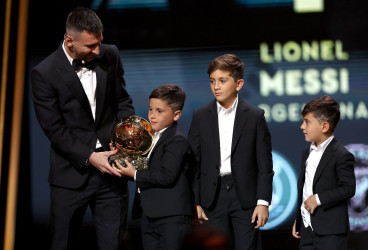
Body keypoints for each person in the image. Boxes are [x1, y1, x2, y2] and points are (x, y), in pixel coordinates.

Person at [31, 6, 135, 250]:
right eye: (90, 46)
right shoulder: (44, 73)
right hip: (70, 176)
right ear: (69, 40)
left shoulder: (111, 54)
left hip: (112, 173)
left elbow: (122, 100)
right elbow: (54, 128)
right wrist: (90, 156)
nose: (97, 51)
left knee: (116, 244)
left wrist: (125, 135)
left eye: (99, 43)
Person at [188, 54, 274, 250]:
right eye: (212, 81)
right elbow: (194, 163)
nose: (216, 86)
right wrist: (196, 202)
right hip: (212, 196)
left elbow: (264, 164)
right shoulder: (200, 116)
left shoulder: (254, 115)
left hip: (245, 197)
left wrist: (263, 202)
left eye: (222, 81)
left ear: (239, 84)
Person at [114, 84, 193, 250]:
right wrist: (121, 155)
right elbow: (142, 167)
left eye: (159, 111)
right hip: (150, 215)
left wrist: (135, 175)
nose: (152, 116)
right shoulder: (150, 137)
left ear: (177, 114)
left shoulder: (177, 140)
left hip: (171, 216)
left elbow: (166, 176)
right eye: (150, 109)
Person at [292, 95, 356, 250]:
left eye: (307, 122)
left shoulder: (341, 154)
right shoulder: (306, 152)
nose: (302, 126)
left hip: (330, 232)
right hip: (307, 229)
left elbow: (348, 188)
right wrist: (299, 219)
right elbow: (305, 188)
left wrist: (318, 199)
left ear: (324, 126)